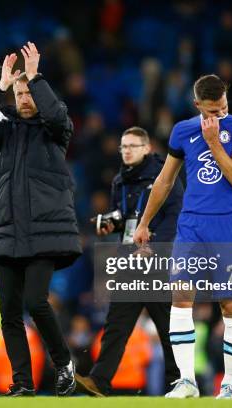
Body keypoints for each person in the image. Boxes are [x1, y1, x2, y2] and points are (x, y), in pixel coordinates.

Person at [134, 74, 232, 399]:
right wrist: (144, 223)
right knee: (180, 297)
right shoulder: (183, 130)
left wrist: (215, 141)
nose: (219, 115)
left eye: (223, 108)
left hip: (228, 225)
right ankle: (186, 381)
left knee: (230, 304)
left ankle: (229, 385)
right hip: (191, 225)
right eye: (212, 111)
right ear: (197, 106)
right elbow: (164, 181)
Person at [0, 42, 81, 397]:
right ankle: (22, 383)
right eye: (18, 93)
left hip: (45, 231)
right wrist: (0, 86)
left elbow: (54, 114)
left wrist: (35, 77)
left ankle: (63, 361)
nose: (22, 98)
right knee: (8, 314)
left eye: (27, 92)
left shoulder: (56, 127)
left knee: (36, 302)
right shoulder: (8, 131)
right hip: (8, 231)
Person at [75, 127, 182, 396]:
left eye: (133, 146)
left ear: (147, 148)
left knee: (169, 329)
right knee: (116, 325)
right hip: (130, 262)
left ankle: (178, 384)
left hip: (157, 262)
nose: (127, 151)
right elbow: (125, 217)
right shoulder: (120, 181)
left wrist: (155, 248)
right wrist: (108, 223)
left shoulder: (165, 175)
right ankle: (99, 380)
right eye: (123, 146)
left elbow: (175, 216)